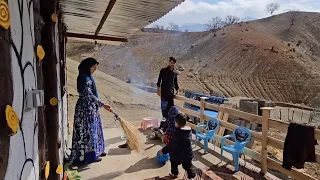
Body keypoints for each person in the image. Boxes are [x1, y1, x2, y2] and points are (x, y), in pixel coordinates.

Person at [70, 58, 112, 166]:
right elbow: (88, 94)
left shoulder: (88, 77)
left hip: (90, 108)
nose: (94, 70)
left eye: (95, 68)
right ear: (87, 67)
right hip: (85, 109)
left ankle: (96, 152)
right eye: (93, 67)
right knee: (88, 132)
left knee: (93, 130)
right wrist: (102, 104)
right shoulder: (84, 78)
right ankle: (89, 157)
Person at [158, 113, 195, 179]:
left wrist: (163, 151)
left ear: (177, 124)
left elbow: (172, 146)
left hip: (177, 156)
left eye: (175, 122)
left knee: (174, 163)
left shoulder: (177, 134)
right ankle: (191, 176)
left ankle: (175, 174)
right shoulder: (189, 131)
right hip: (188, 155)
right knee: (188, 166)